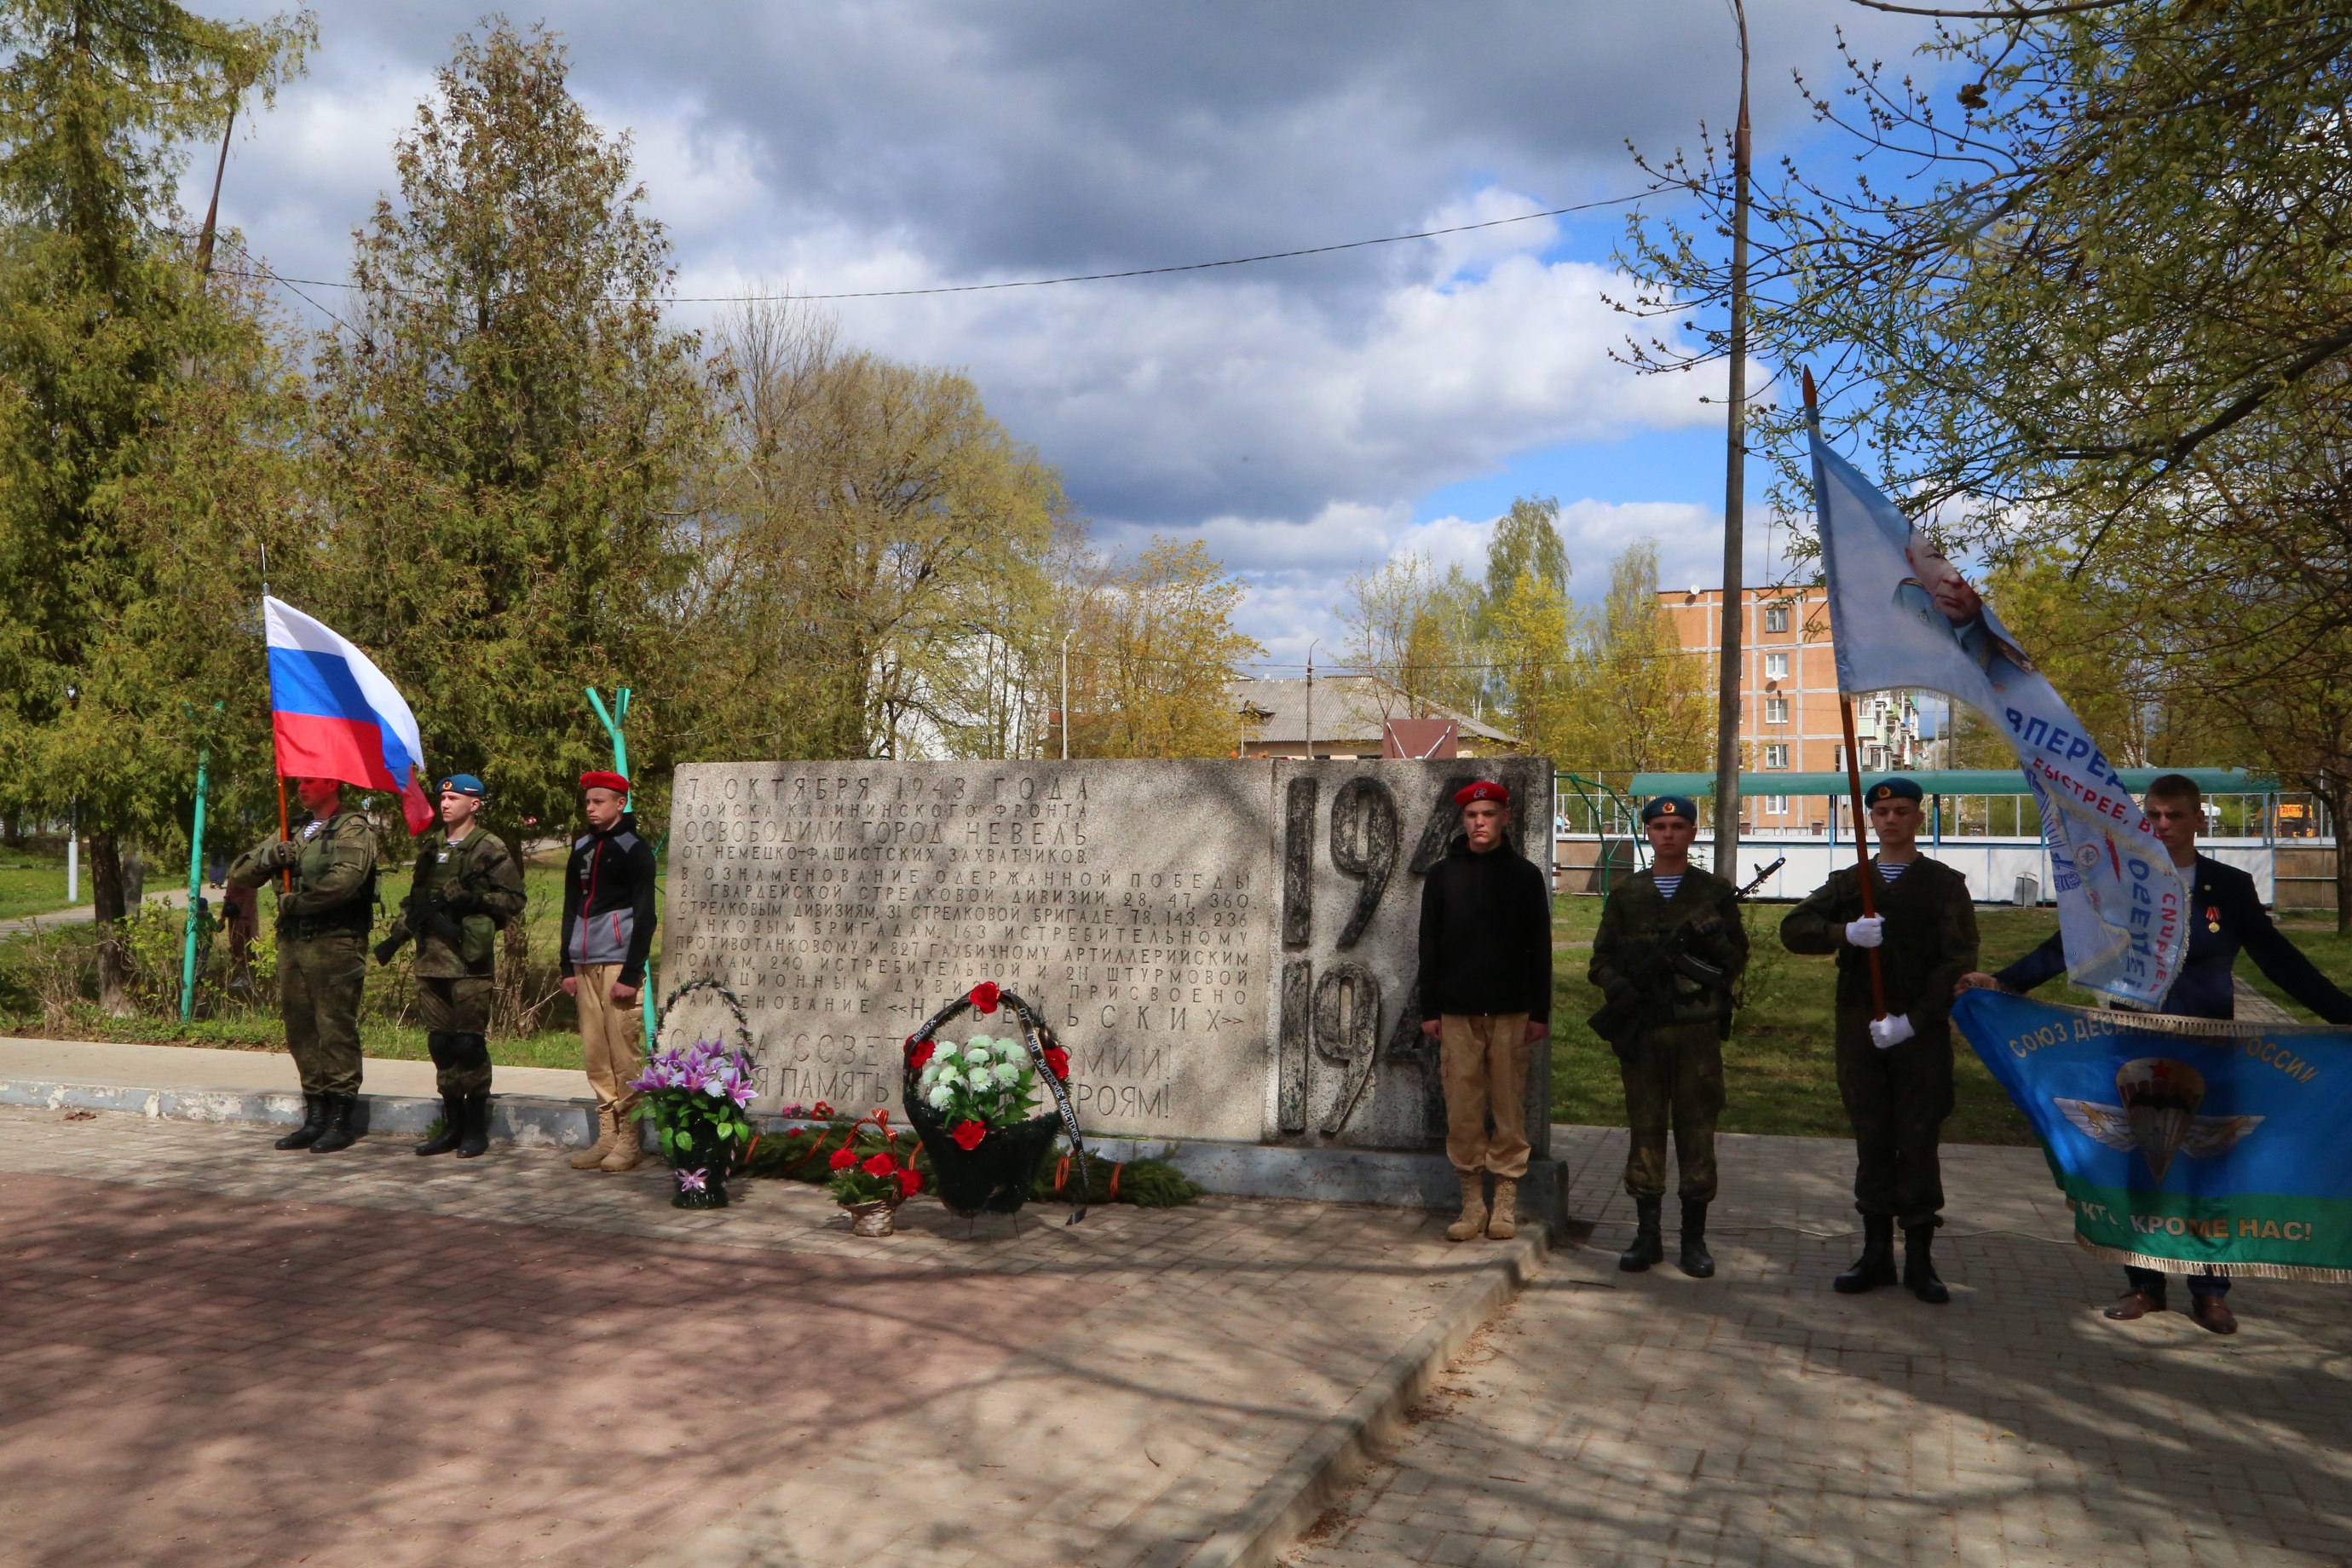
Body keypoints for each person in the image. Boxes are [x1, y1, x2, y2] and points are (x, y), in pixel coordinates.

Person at [1961, 771, 2352, 1335]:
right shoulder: (2121, 884)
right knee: (2143, 1164)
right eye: (2154, 815)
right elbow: (2070, 946)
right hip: (2136, 1046)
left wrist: (2341, 1010)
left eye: (2175, 815)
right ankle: (2144, 1283)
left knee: (2210, 1170)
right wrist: (2003, 983)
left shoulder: (2229, 886)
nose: (2163, 825)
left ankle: (2211, 1291)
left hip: (2211, 1051)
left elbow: (2278, 958)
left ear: (2197, 820)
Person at [1781, 777, 1979, 1302]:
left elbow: (1958, 961)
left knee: (1917, 1140)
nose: (1891, 819)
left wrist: (1914, 1021)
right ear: (1870, 819)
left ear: (1918, 817)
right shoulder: (1852, 883)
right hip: (1860, 1028)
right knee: (1871, 1138)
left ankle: (1920, 1259)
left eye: (1902, 810)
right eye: (1882, 812)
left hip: (1919, 1034)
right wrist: (1842, 933)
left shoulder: (1943, 885)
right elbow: (1793, 928)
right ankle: (1874, 1255)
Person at [1589, 795, 1749, 1277]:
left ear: (1693, 832)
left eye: (1678, 826)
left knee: (1697, 1130)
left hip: (1696, 1031)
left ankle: (1694, 1239)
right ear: (1649, 833)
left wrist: (1715, 936)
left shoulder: (1712, 891)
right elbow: (1601, 959)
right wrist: (1619, 988)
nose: (1669, 834)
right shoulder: (1628, 893)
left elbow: (1735, 962)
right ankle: (1647, 1235)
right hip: (1643, 1030)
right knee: (1645, 1129)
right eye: (1660, 827)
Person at [1416, 779, 1554, 1242]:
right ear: (1463, 820)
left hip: (1513, 1011)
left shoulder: (1525, 875)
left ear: (1504, 819)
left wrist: (1540, 1011)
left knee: (1509, 1107)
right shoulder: (1441, 876)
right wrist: (1430, 1007)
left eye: (1489, 814)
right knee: (1463, 1108)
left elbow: (1540, 948)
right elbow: (1428, 946)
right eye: (1473, 815)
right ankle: (1472, 1204)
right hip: (1456, 1012)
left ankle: (1505, 1204)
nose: (1480, 822)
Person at [374, 775, 527, 1158]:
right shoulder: (432, 848)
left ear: (474, 805)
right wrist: (401, 928)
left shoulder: (489, 848)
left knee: (468, 1044)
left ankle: (475, 1129)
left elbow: (513, 900)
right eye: (443, 798)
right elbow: (416, 898)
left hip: (468, 963)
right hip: (431, 961)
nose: (445, 804)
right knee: (441, 1044)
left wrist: (473, 900)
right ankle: (452, 1126)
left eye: (454, 798)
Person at [226, 776, 380, 1154]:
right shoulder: (290, 828)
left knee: (334, 1027)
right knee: (301, 1029)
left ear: (332, 783)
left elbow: (344, 881)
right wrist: (271, 857)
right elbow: (240, 872)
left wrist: (297, 902)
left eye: (310, 780)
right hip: (293, 943)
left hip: (335, 941)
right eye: (298, 781)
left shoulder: (352, 828)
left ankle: (341, 1118)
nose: (300, 787)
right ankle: (316, 1115)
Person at [562, 770, 659, 1173]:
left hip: (618, 964)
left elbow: (646, 916)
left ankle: (630, 1139)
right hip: (583, 963)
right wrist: (566, 965)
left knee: (624, 1055)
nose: (590, 808)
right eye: (588, 801)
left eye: (598, 801)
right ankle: (607, 1134)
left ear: (620, 804)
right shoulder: (582, 847)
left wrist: (630, 975)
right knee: (596, 1054)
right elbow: (571, 907)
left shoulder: (634, 849)